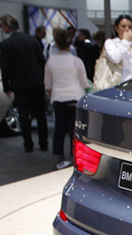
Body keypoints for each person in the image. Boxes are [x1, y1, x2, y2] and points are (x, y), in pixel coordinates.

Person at [0, 14, 49, 152]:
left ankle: (28, 144)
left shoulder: (6, 44)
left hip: (19, 84)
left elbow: (5, 67)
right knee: (40, 114)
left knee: (23, 115)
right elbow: (41, 60)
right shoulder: (32, 39)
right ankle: (44, 143)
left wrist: (6, 85)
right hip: (36, 81)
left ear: (7, 26)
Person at [44, 28, 90, 169]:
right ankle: (74, 157)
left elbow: (47, 84)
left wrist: (53, 95)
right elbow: (84, 83)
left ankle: (58, 159)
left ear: (56, 43)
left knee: (58, 130)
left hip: (58, 99)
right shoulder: (76, 61)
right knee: (74, 131)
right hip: (74, 98)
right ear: (70, 43)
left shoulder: (51, 60)